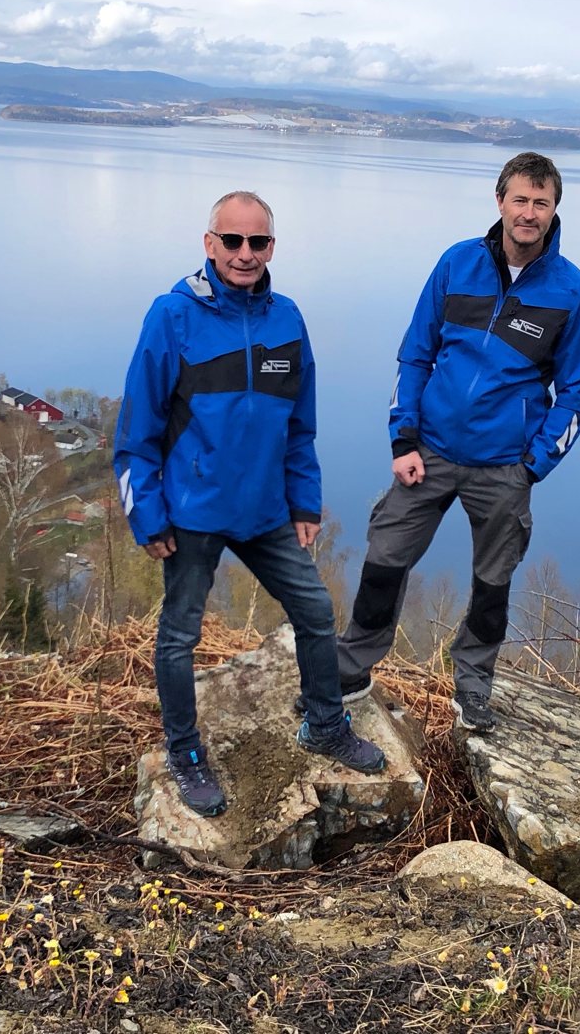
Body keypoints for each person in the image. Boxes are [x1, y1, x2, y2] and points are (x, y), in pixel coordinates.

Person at [113, 191, 386, 818]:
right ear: (209, 244)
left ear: (271, 248)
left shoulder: (287, 318)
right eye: (231, 241)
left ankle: (324, 724)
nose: (244, 253)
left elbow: (299, 424)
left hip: (265, 509)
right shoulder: (172, 316)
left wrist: (305, 502)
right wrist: (146, 514)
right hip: (192, 511)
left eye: (256, 242)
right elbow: (136, 429)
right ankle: (185, 755)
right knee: (179, 636)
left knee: (316, 611)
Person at [332, 152, 580, 732]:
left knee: (492, 582)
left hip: (504, 466)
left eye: (542, 202)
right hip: (427, 452)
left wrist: (533, 465)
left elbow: (579, 392)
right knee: (385, 558)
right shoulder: (458, 264)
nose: (529, 213)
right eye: (520, 199)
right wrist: (403, 438)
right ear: (500, 200)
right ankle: (351, 668)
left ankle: (473, 688)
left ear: (555, 209)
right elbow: (415, 353)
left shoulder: (571, 291)